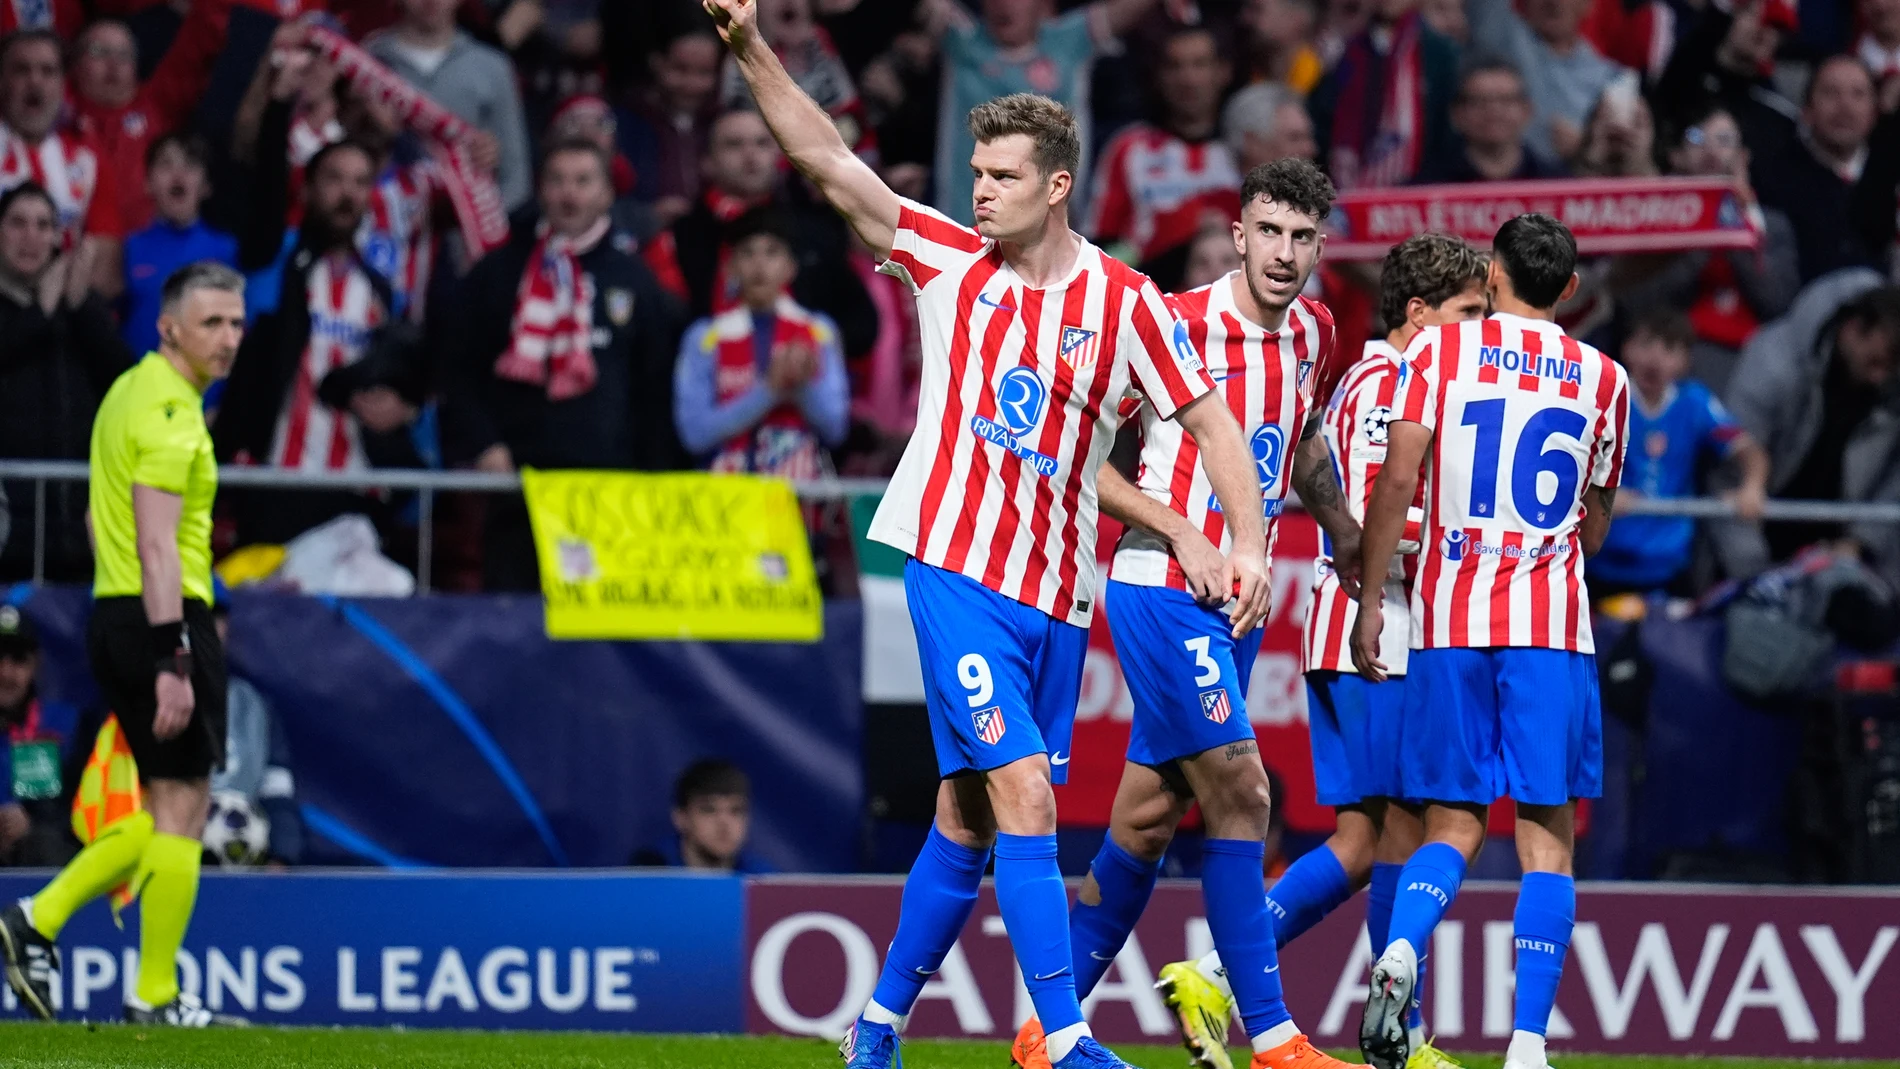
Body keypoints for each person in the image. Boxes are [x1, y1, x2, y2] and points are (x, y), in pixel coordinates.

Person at [707, 3, 1272, 1067]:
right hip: (951, 567)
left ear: (1057, 185)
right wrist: (749, 48)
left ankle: (873, 1027)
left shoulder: (1126, 304)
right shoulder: (945, 259)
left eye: (1002, 176)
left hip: (1055, 594)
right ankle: (1061, 1032)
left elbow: (1211, 423)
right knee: (1026, 791)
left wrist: (1243, 540)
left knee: (967, 818)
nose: (979, 191)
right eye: (976, 171)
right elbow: (825, 157)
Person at [1011, 157, 1368, 1069]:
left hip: (1240, 605)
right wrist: (1181, 530)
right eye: (1270, 233)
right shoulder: (1171, 325)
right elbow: (1080, 456)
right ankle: (1277, 1040)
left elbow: (1305, 435)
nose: (1284, 254)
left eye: (1303, 238)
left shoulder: (1316, 334)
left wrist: (1342, 529)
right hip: (1161, 586)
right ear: (1238, 235)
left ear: (1321, 248)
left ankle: (1041, 1036)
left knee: (1143, 821)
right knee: (1245, 793)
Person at [1156, 234, 1488, 1069]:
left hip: (1342, 625)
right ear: (1419, 314)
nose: (1482, 331)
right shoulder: (1395, 383)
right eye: (1469, 314)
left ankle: (1211, 974)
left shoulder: (1363, 377)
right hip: (1384, 625)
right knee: (1407, 828)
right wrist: (1460, 551)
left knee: (1364, 836)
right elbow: (1388, 509)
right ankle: (1402, 1042)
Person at [1351, 213, 1631, 1069]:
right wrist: (1552, 564)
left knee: (1452, 819)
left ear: (1495, 276)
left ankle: (1402, 950)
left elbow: (1398, 478)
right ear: (1571, 292)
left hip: (1449, 621)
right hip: (1549, 626)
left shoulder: (1437, 353)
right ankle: (1527, 1043)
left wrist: (1371, 598)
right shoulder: (1605, 378)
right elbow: (1597, 516)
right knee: (1547, 834)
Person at [0, 261, 247, 1028]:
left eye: (237, 322)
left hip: (117, 612)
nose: (229, 338)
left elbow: (95, 521)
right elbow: (158, 545)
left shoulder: (125, 395)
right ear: (167, 326)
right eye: (211, 322)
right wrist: (174, 657)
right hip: (162, 617)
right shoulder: (172, 415)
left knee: (163, 804)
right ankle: (155, 994)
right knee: (184, 805)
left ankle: (38, 916)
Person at [443, 139, 686, 591]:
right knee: (514, 630)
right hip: (517, 486)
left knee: (600, 643)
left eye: (583, 181)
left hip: (610, 491)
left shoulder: (634, 278)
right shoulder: (497, 273)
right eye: (557, 181)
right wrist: (484, 444)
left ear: (606, 195)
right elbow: (458, 371)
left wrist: (655, 484)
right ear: (540, 190)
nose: (569, 194)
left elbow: (655, 390)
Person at [215, 138, 419, 546]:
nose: (348, 194)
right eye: (335, 179)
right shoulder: (274, 264)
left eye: (360, 182)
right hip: (276, 483)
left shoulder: (381, 290)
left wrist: (406, 407)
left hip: (356, 488)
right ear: (306, 190)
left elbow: (408, 377)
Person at [642, 109, 878, 361]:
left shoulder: (815, 233)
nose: (751, 155)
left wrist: (813, 349)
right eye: (734, 145)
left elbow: (862, 324)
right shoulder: (678, 239)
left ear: (779, 155)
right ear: (707, 162)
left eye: (762, 143)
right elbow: (658, 333)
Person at [918, 0, 1163, 225]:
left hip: (1049, 233)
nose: (1003, 5)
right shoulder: (960, 40)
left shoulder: (1071, 41)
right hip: (963, 229)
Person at [0, 183, 135, 585]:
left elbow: (128, 382)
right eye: (17, 224)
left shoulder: (79, 306)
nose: (31, 237)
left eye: (44, 225)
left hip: (78, 534)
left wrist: (80, 311)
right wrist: (39, 313)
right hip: (8, 536)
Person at [1725, 274, 1900, 583]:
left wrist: (1861, 544)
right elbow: (1729, 468)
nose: (1880, 377)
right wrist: (1751, 575)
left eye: (1889, 368)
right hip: (1758, 535)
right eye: (1875, 362)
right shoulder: (1772, 365)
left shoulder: (1892, 386)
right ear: (1851, 329)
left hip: (1842, 552)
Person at [1615, 103, 1799, 394]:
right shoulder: (1655, 217)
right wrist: (1702, 229)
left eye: (1725, 140)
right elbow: (1635, 302)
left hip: (1751, 361)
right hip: (1669, 358)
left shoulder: (1772, 225)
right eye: (1698, 140)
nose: (1712, 151)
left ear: (1743, 157)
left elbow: (1778, 305)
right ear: (1677, 156)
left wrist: (1734, 224)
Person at [1590, 309, 1769, 596]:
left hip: (1669, 572)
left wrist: (1753, 486)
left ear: (1685, 361)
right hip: (1601, 564)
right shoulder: (1603, 397)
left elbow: (1746, 448)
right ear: (1626, 348)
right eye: (1646, 344)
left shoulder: (1695, 402)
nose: (1655, 358)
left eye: (1670, 349)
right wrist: (1599, 493)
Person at [674, 208, 849, 477]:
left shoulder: (818, 332)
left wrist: (802, 387)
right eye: (748, 253)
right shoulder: (705, 338)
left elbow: (836, 429)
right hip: (727, 498)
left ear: (791, 267)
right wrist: (769, 390)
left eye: (772, 252)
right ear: (729, 267)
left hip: (798, 498)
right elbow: (694, 435)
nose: (759, 265)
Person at [1086, 25, 1241, 265]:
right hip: (1152, 291)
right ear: (1158, 76)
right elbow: (1099, 245)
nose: (1187, 79)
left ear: (1223, 71)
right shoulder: (1127, 147)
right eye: (1174, 66)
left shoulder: (1248, 146)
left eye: (1199, 64)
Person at [69, 9, 232, 235]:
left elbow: (200, 39)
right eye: (99, 52)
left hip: (147, 250)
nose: (113, 63)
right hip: (79, 249)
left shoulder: (156, 103)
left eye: (124, 54)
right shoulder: (58, 114)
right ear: (75, 63)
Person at [365, 0, 533, 210]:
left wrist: (480, 227)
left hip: (464, 232)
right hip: (384, 223)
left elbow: (515, 176)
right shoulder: (367, 62)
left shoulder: (493, 67)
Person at [1753, 54, 1900, 284]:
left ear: (1874, 113)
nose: (1845, 107)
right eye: (1831, 93)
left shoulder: (1890, 176)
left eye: (1858, 95)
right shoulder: (1774, 178)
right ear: (1807, 111)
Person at [0, 30, 123, 296]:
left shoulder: (87, 161)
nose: (35, 81)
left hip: (64, 313)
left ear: (62, 85)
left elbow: (104, 263)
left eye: (48, 71)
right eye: (22, 70)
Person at [1307, 0, 1462, 191]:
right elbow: (1322, 117)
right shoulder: (1345, 50)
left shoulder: (1440, 53)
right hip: (1344, 192)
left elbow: (1447, 133)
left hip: (1420, 190)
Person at [208, 581, 303, 867]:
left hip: (239, 870)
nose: (205, 629)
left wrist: (281, 857)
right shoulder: (134, 707)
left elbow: (278, 794)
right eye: (189, 616)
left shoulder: (254, 706)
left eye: (214, 617)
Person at [1464, 0, 1630, 163]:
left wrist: (1584, 147)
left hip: (1576, 183)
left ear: (1587, 5)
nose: (1553, 2)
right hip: (1506, 182)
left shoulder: (1613, 79)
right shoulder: (1501, 40)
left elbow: (1621, 159)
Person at [121, 135, 239, 359]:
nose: (178, 173)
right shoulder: (130, 248)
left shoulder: (226, 250)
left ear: (206, 187)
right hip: (143, 387)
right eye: (166, 164)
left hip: (205, 391)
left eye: (190, 164)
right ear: (147, 183)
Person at [0, 605, 81, 867]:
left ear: (35, 664)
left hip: (36, 861)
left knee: (46, 845)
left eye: (18, 659)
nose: (5, 672)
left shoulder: (65, 726)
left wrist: (31, 826)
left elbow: (79, 814)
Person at [623, 29, 723, 229]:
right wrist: (646, 216)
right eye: (680, 69)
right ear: (657, 63)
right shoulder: (627, 124)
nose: (691, 84)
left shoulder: (728, 124)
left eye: (704, 72)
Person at [1415, 61, 1570, 183]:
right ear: (1457, 114)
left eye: (1505, 100)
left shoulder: (1558, 183)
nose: (1494, 111)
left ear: (1527, 111)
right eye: (1480, 101)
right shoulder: (1427, 186)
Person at [629, 759, 772, 873]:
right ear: (681, 818)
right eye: (709, 810)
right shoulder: (647, 874)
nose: (724, 823)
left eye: (736, 811)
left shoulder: (764, 880)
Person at [1223, 82, 1320, 174]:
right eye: (1294, 138)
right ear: (1252, 143)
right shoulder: (1215, 187)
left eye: (1309, 137)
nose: (1311, 149)